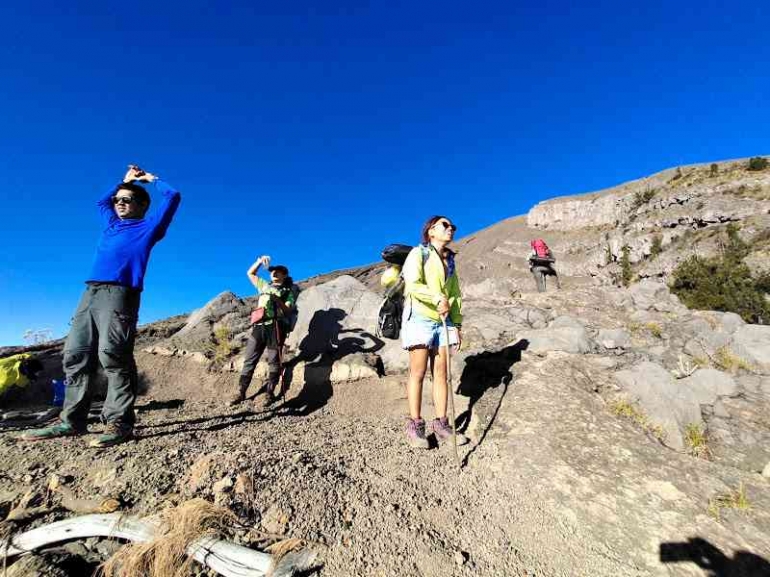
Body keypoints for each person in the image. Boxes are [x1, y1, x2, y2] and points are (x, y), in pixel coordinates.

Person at [21, 165, 181, 447]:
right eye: (118, 199)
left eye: (127, 199)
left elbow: (173, 196)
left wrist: (149, 180)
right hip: (90, 292)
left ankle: (120, 423)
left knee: (113, 355)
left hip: (120, 293)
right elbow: (100, 202)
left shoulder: (149, 227)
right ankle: (72, 421)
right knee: (76, 354)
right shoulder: (111, 225)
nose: (119, 202)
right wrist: (124, 181)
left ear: (142, 205)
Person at [401, 215, 468, 449]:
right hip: (420, 316)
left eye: (453, 226)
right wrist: (437, 297)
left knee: (441, 372)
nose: (451, 229)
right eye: (445, 225)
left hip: (444, 320)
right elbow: (412, 284)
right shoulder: (419, 253)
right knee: (418, 371)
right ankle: (416, 425)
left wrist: (457, 324)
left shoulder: (450, 261)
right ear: (430, 231)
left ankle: (441, 424)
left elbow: (456, 293)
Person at [230, 256, 297, 406]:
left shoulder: (288, 292)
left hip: (276, 327)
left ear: (284, 275)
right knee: (250, 359)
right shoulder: (264, 285)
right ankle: (240, 391)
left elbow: (288, 309)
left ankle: (269, 392)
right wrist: (259, 262)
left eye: (278, 272)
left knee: (274, 361)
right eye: (273, 271)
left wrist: (277, 300)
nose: (274, 273)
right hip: (259, 326)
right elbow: (250, 273)